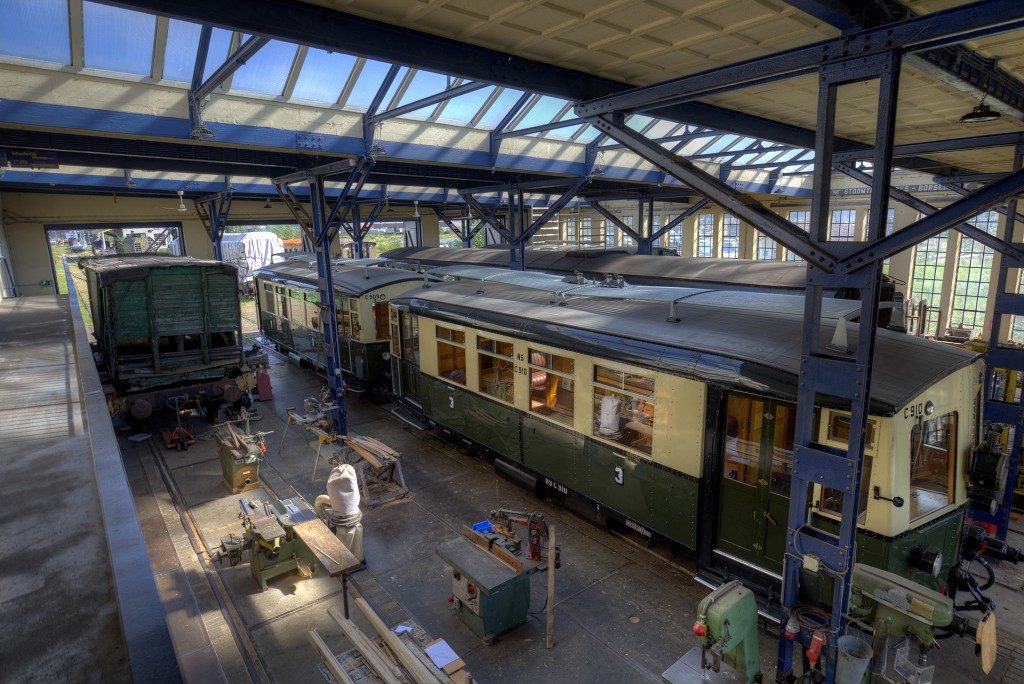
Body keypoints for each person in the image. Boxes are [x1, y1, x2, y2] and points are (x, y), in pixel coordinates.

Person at [314, 462, 364, 562]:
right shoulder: (340, 483)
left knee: (346, 540)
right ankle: (354, 559)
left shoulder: (339, 484)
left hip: (348, 517)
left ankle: (346, 561)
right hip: (348, 515)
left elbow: (322, 500)